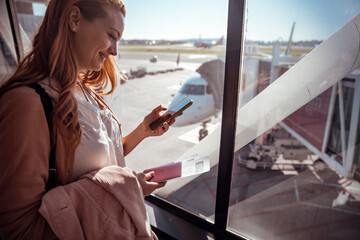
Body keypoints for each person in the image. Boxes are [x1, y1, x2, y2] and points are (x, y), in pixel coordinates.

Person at [0, 0, 172, 239]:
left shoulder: (85, 90)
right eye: (112, 36)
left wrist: (142, 131)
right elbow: (19, 229)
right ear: (74, 20)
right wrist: (127, 191)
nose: (114, 50)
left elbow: (99, 159)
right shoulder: (27, 103)